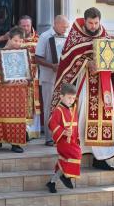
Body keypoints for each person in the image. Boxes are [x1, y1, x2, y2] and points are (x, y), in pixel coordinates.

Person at [50, 7, 114, 171]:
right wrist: (86, 63)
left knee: (106, 118)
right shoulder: (75, 36)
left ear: (100, 21)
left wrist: (113, 66)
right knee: (82, 117)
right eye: (90, 23)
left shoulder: (105, 35)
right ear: (84, 21)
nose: (93, 26)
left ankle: (101, 157)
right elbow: (67, 60)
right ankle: (80, 152)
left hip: (103, 86)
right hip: (84, 85)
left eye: (96, 23)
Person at [0, 26, 31, 153]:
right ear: (9, 39)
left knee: (17, 115)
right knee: (0, 114)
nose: (18, 44)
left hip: (19, 91)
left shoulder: (23, 53)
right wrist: (6, 82)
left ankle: (16, 143)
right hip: (3, 90)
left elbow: (28, 72)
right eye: (16, 41)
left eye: (20, 41)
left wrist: (26, 80)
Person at [36, 15, 69, 146]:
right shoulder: (45, 36)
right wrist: (52, 66)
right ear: (55, 24)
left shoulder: (67, 36)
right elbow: (37, 58)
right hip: (49, 78)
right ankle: (49, 138)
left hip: (63, 78)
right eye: (63, 26)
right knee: (50, 106)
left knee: (64, 106)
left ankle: (61, 135)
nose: (66, 29)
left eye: (67, 27)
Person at [46, 83, 81, 193]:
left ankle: (52, 182)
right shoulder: (58, 110)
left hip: (72, 140)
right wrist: (64, 132)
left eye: (73, 98)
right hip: (63, 141)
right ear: (61, 97)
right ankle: (66, 177)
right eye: (69, 98)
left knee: (64, 162)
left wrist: (77, 137)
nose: (71, 100)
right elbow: (51, 124)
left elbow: (75, 125)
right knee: (76, 154)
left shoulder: (73, 109)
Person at [18, 15, 41, 140]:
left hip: (34, 76)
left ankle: (32, 131)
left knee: (32, 103)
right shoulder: (15, 38)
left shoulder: (38, 39)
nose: (26, 28)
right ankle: (22, 130)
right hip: (19, 77)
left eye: (28, 25)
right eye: (23, 26)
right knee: (21, 102)